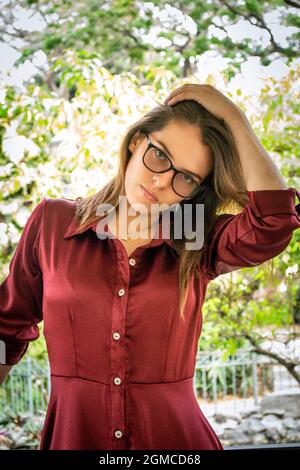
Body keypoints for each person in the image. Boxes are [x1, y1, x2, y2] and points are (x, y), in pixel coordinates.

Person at [0, 84, 299, 451]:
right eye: (159, 155)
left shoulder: (195, 237)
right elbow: (6, 329)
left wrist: (232, 115)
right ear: (136, 141)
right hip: (73, 437)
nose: (162, 180)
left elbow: (275, 222)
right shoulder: (52, 222)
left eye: (186, 178)